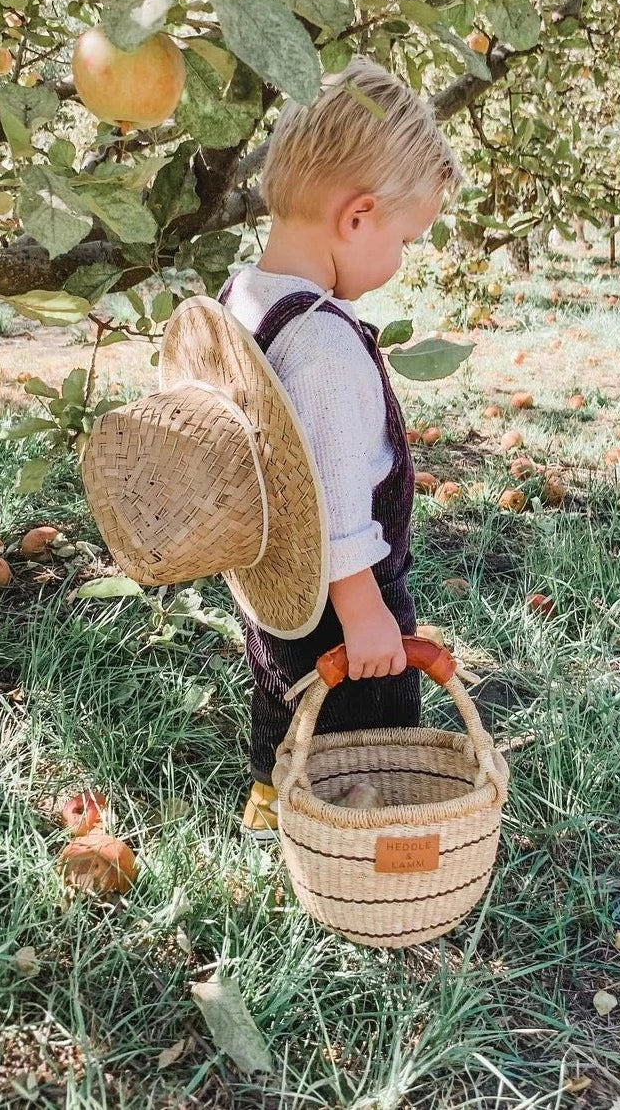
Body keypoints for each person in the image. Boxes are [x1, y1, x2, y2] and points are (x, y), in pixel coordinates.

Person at [217, 56, 463, 837]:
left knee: (282, 686)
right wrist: (362, 606)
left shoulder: (242, 295)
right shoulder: (322, 346)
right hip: (340, 588)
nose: (400, 261)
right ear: (357, 217)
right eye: (405, 240)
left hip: (272, 578)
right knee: (366, 719)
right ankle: (353, 839)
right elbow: (328, 482)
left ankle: (272, 798)